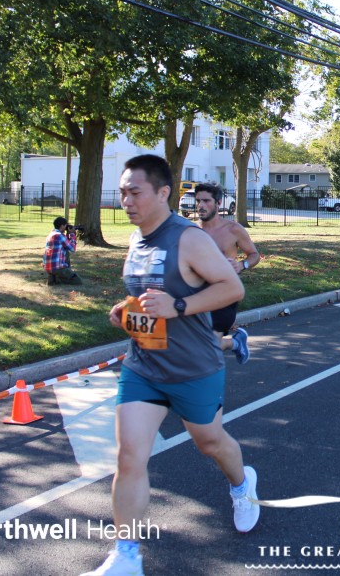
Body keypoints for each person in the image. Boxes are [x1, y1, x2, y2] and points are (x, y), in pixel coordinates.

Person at [83, 155, 258, 576]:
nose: (126, 201)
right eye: (122, 193)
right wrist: (125, 310)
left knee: (210, 443)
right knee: (129, 457)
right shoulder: (136, 239)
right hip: (144, 366)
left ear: (163, 193)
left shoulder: (189, 239)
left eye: (135, 192)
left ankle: (242, 485)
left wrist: (177, 306)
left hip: (193, 368)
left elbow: (231, 288)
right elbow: (147, 293)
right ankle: (126, 556)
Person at [196, 183, 259, 364]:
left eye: (206, 201)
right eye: (198, 201)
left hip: (226, 292)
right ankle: (235, 343)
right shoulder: (191, 231)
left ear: (218, 203)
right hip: (198, 293)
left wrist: (241, 265)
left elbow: (254, 255)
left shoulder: (233, 229)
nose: (201, 205)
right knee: (200, 345)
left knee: (208, 347)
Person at [43, 217, 82, 285]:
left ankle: (53, 277)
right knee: (77, 281)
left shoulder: (51, 234)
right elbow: (72, 249)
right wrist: (72, 234)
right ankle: (57, 279)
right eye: (65, 225)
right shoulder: (60, 236)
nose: (66, 227)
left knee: (66, 251)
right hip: (57, 267)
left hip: (48, 267)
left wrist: (67, 234)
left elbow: (66, 245)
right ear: (61, 226)